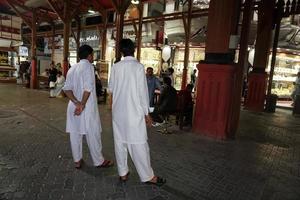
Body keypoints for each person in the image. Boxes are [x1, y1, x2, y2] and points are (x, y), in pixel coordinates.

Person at [108, 39, 166, 186]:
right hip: (134, 112)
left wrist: (112, 109)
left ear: (121, 51)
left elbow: (111, 91)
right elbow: (143, 93)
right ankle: (148, 176)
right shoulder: (139, 67)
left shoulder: (116, 67)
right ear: (134, 49)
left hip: (118, 112)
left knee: (120, 142)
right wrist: (147, 114)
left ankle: (123, 173)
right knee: (139, 144)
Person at [63, 44, 113, 169]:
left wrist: (76, 102)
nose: (93, 57)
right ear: (89, 55)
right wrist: (82, 104)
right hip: (87, 107)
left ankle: (77, 160)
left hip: (73, 106)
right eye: (92, 55)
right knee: (93, 133)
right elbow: (88, 88)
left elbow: (67, 89)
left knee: (75, 134)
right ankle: (99, 161)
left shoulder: (72, 68)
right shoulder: (88, 67)